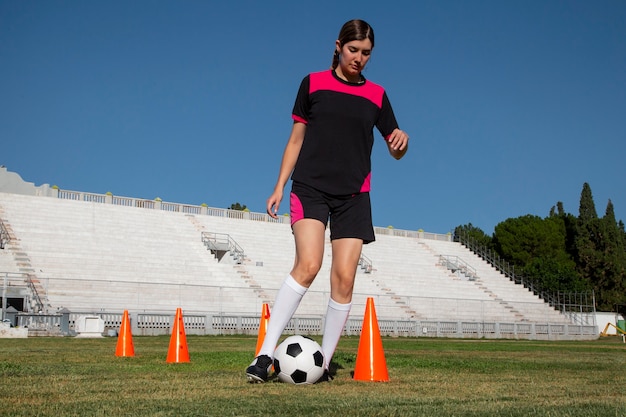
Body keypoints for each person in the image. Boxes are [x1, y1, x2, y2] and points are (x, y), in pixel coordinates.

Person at [246, 18, 409, 383]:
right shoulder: (313, 83)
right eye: (354, 50)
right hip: (310, 189)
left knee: (345, 279)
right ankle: (263, 355)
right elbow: (296, 139)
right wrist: (279, 186)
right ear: (338, 46)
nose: (360, 59)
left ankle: (321, 364)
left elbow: (394, 148)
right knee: (308, 264)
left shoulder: (378, 96)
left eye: (367, 53)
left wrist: (401, 142)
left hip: (355, 196)